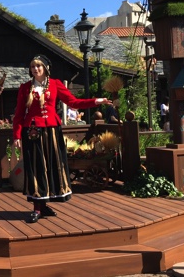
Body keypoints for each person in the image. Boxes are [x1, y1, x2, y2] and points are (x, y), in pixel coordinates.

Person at [12, 55, 112, 224]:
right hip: (33, 132)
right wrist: (16, 135)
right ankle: (37, 206)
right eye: (33, 67)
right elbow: (19, 114)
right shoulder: (25, 88)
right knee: (36, 168)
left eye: (38, 66)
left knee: (52, 166)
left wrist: (97, 101)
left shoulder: (56, 84)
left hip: (51, 131)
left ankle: (43, 205)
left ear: (45, 68)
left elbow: (74, 102)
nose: (35, 69)